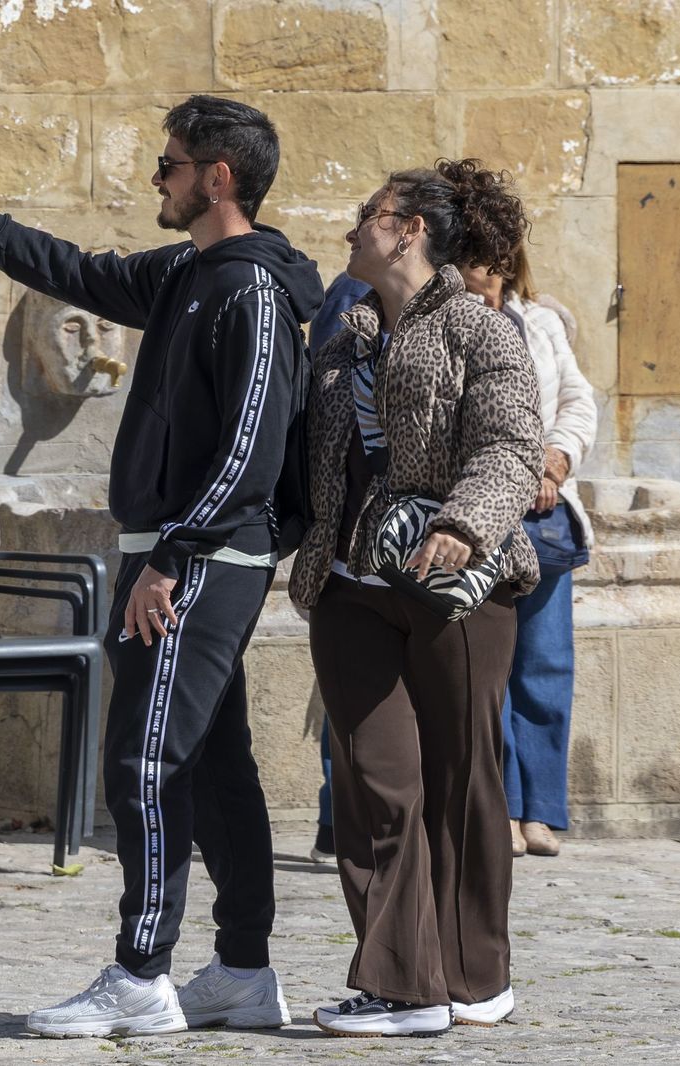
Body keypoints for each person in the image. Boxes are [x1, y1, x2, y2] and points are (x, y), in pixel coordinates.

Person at [0, 95, 323, 1039]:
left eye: (170, 164)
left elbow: (251, 448)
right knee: (213, 764)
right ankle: (244, 972)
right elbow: (76, 271)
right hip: (174, 552)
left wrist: (172, 557)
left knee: (143, 761)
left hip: (202, 557)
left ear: (218, 177)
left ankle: (141, 975)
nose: (156, 178)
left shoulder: (253, 293)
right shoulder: (185, 272)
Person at [288, 159, 544, 1037]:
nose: (352, 227)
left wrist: (465, 523)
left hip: (457, 593)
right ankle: (404, 986)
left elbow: (511, 445)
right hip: (350, 588)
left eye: (369, 213)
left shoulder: (480, 329)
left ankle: (475, 976)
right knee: (374, 783)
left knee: (462, 782)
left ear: (410, 230)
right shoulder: (344, 339)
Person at [458, 246, 596, 859]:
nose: (481, 265)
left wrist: (556, 459)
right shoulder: (443, 321)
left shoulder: (541, 322)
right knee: (491, 671)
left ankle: (540, 809)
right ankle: (504, 809)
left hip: (544, 520)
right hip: (479, 517)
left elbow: (577, 401)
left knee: (545, 667)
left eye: (491, 254)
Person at [304, 272, 371, 864]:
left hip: (418, 547)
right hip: (355, 542)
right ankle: (340, 821)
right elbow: (326, 420)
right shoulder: (354, 294)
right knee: (353, 701)